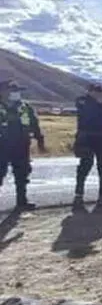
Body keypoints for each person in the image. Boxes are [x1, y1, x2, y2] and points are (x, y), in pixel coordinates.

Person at [0, 80, 46, 210]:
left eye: (17, 91)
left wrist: (40, 140)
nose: (16, 93)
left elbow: (34, 124)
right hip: (2, 146)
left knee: (22, 174)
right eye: (13, 91)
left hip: (21, 145)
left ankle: (22, 202)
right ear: (3, 92)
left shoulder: (25, 107)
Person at [73, 83, 102, 205]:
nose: (101, 94)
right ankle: (79, 191)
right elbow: (84, 110)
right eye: (98, 92)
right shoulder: (83, 102)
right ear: (91, 92)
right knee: (85, 164)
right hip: (87, 138)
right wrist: (96, 102)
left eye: (101, 92)